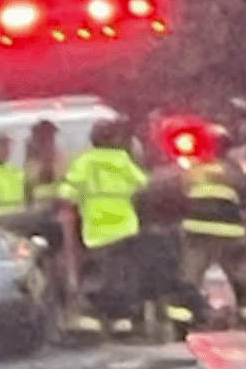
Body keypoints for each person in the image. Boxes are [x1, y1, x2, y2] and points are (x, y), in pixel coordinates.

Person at [164, 125, 246, 335]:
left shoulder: (193, 171)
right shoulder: (233, 171)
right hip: (230, 231)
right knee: (242, 276)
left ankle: (180, 323)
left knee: (189, 276)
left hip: (197, 231)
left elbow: (176, 196)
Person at [58, 117, 149, 338]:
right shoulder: (122, 160)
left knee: (97, 274)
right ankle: (123, 321)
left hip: (98, 228)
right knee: (122, 274)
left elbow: (67, 191)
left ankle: (92, 319)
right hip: (126, 226)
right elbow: (142, 183)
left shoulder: (86, 161)